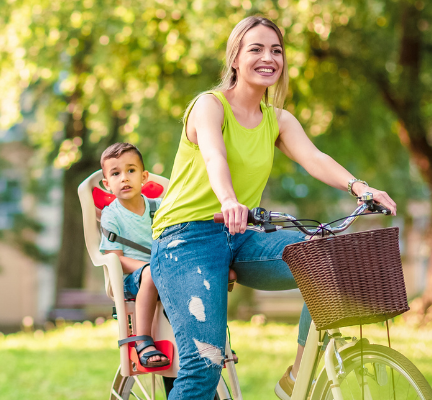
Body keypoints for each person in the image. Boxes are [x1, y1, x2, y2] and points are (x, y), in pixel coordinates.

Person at [148, 16, 397, 400]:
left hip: (242, 235)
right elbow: (215, 157)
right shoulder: (208, 106)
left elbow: (315, 158)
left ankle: (297, 376)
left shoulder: (277, 120)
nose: (269, 58)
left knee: (323, 259)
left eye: (276, 50)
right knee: (204, 365)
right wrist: (229, 200)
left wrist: (361, 188)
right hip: (186, 240)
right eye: (256, 49)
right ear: (235, 58)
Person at [97, 142, 170, 368]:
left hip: (165, 272)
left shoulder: (159, 207)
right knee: (150, 274)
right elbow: (115, 258)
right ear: (107, 184)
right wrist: (151, 268)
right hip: (133, 279)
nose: (124, 178)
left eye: (131, 170)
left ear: (144, 176)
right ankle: (143, 340)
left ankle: (208, 341)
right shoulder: (112, 216)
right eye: (116, 173)